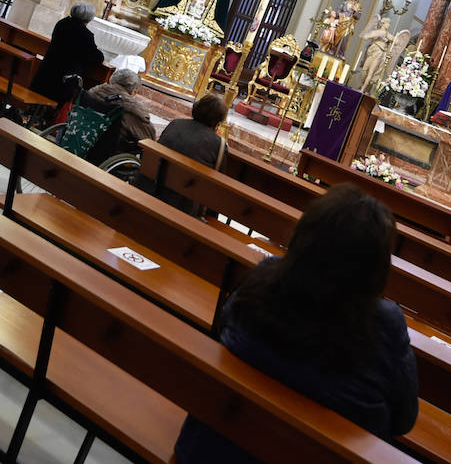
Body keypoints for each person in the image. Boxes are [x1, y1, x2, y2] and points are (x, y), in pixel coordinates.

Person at [174, 184, 419, 462]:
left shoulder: (265, 277)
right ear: (376, 268)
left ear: (305, 236)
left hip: (209, 451)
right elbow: (404, 420)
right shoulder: (386, 324)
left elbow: (223, 329)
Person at [29, 1, 104, 107]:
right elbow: (97, 58)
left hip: (48, 69)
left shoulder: (62, 23)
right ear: (89, 18)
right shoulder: (85, 34)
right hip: (64, 79)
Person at [87, 67, 157, 148]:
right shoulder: (133, 109)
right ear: (134, 91)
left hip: (83, 137)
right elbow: (148, 138)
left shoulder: (93, 91)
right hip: (106, 150)